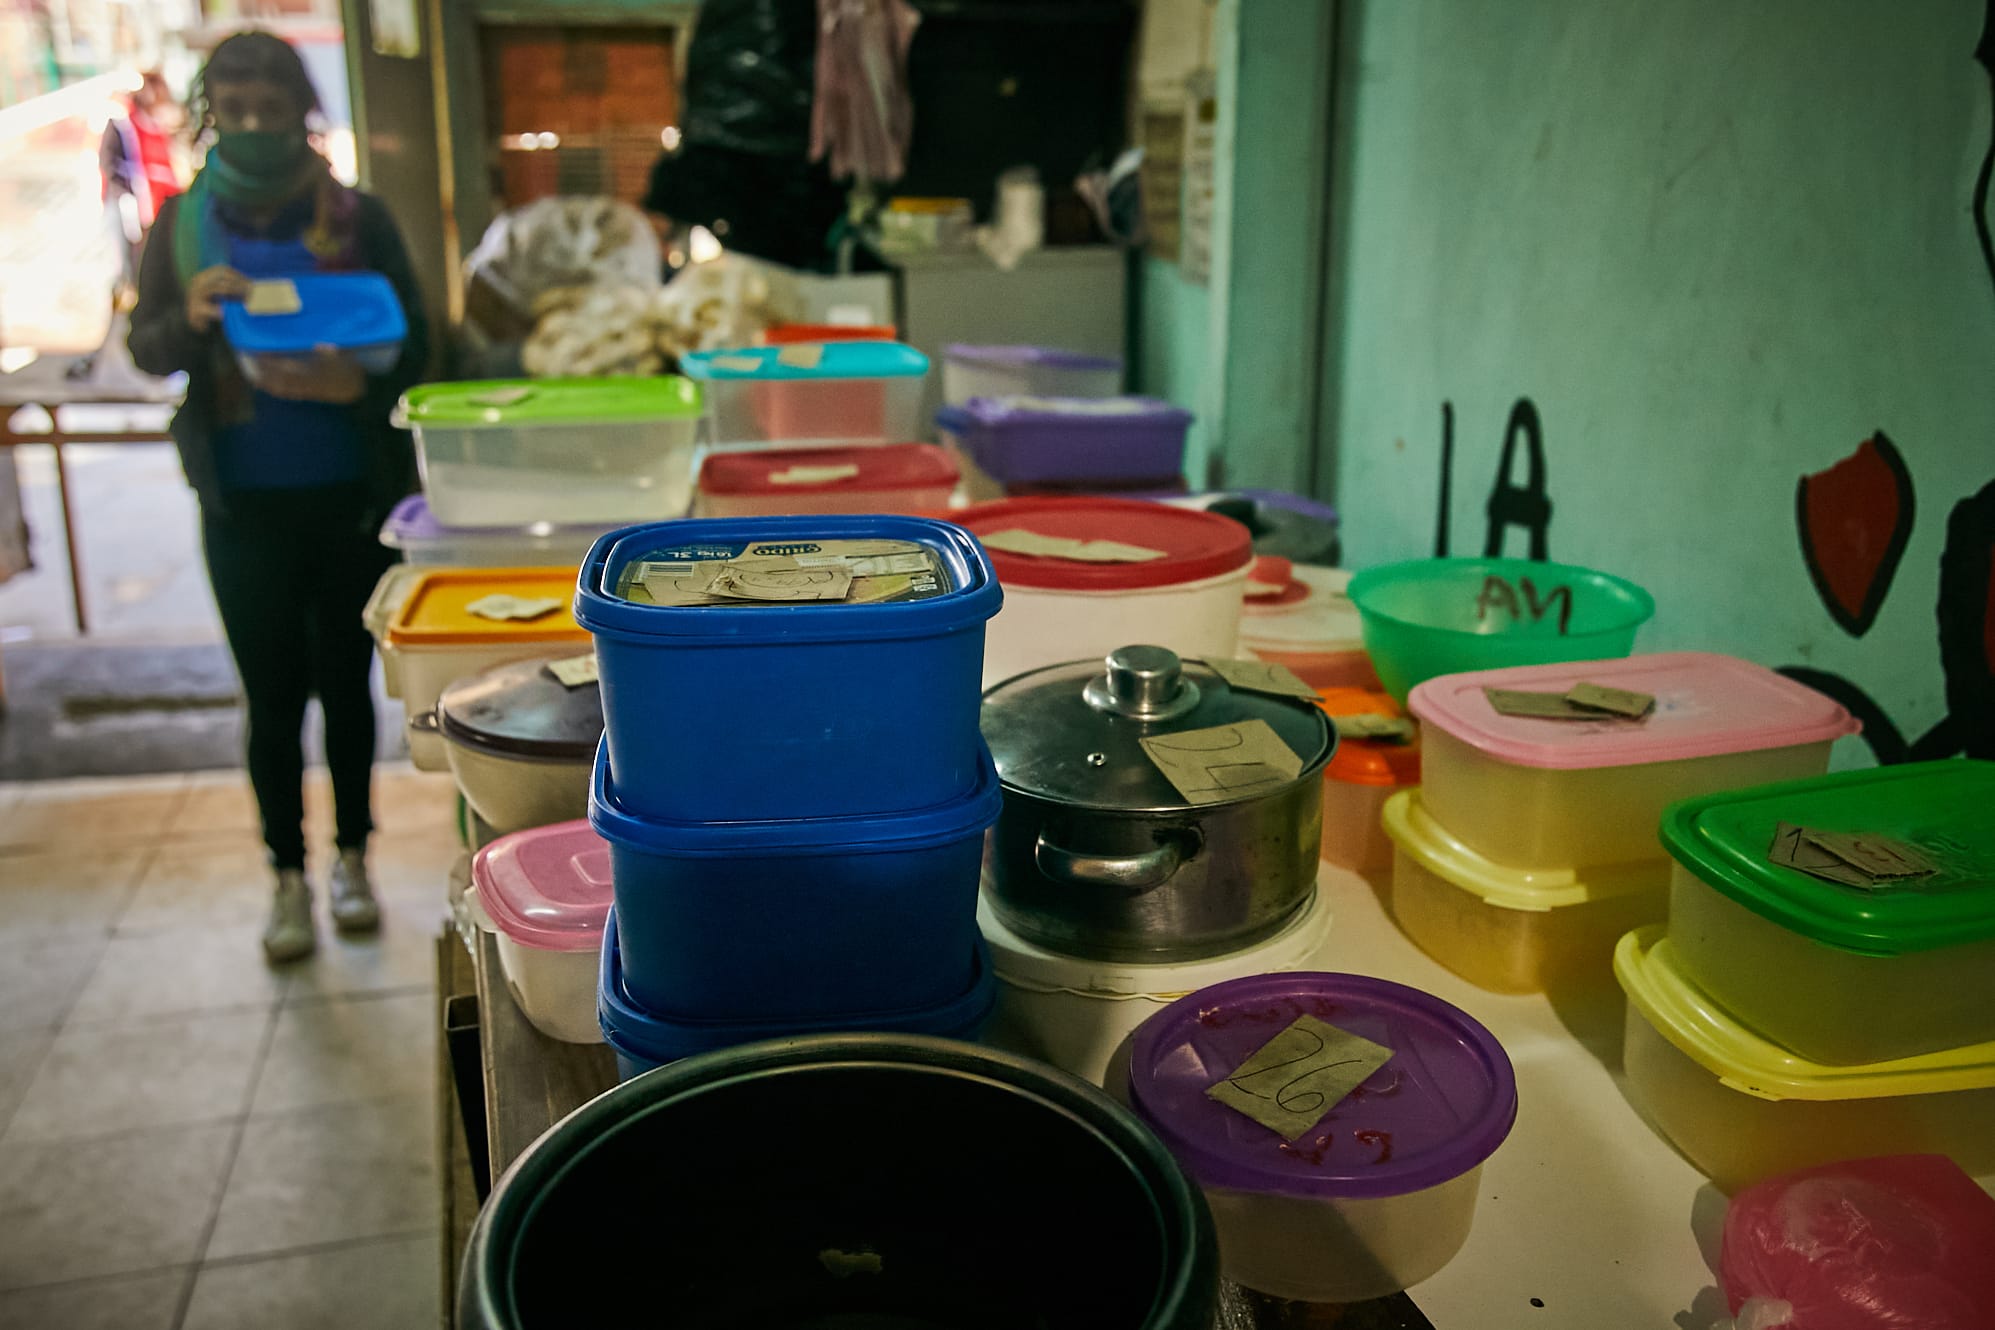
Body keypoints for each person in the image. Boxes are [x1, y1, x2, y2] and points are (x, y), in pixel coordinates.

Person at [128, 32, 429, 963]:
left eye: (272, 108)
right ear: (213, 110)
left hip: (347, 498)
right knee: (270, 698)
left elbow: (418, 350)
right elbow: (144, 349)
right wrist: (194, 317)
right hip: (242, 505)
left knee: (346, 688)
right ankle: (286, 875)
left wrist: (359, 388)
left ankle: (350, 861)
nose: (256, 126)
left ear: (300, 109)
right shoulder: (180, 226)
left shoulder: (357, 218)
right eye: (237, 109)